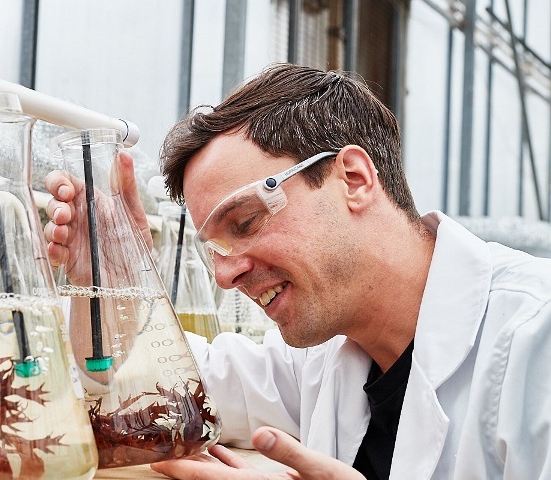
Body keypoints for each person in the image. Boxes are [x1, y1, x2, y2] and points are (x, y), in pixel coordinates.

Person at [43, 63, 551, 479]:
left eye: (244, 221)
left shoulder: (535, 339)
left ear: (353, 178)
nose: (224, 275)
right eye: (214, 246)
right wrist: (115, 284)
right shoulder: (325, 358)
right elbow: (144, 386)